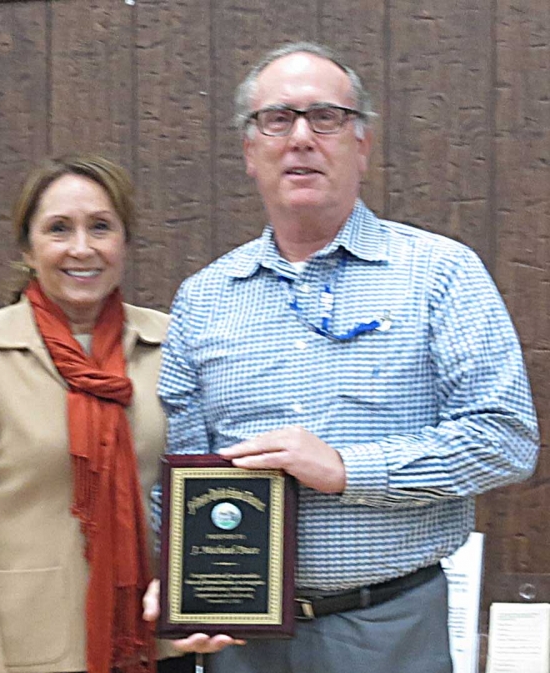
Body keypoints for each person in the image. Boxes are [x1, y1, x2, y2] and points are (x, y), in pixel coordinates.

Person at [153, 42, 540, 673]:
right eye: (276, 119)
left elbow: (504, 438)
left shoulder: (440, 274)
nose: (301, 137)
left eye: (325, 117)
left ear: (361, 145)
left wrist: (346, 468)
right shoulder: (202, 300)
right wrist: (180, 580)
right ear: (250, 151)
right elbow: (180, 471)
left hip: (391, 626)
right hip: (243, 640)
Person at [0, 154, 192, 673]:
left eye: (100, 227)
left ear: (124, 243)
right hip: (32, 650)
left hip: (157, 644)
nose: (81, 248)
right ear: (28, 248)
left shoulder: (172, 343)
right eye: (58, 229)